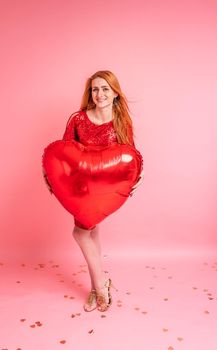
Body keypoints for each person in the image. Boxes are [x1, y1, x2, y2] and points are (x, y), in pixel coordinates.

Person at [43, 70, 144, 312]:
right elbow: (63, 153)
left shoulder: (121, 121)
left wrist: (137, 175)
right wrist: (49, 175)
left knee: (87, 232)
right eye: (95, 89)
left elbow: (129, 154)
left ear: (115, 93)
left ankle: (97, 286)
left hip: (106, 190)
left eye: (105, 89)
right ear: (90, 93)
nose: (99, 94)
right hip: (80, 190)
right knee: (84, 232)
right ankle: (101, 285)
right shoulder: (78, 119)